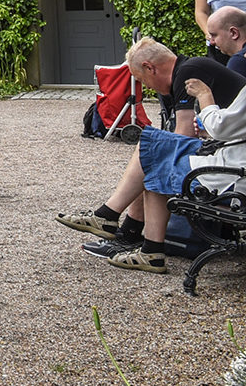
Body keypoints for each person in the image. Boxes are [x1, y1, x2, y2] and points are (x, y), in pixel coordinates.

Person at [56, 34, 246, 259]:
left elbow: (186, 134)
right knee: (153, 150)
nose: (144, 87)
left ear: (149, 68)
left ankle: (122, 227)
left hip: (234, 171)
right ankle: (128, 232)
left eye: (141, 79)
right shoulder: (188, 67)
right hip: (232, 158)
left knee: (154, 152)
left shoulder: (189, 71)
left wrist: (204, 98)